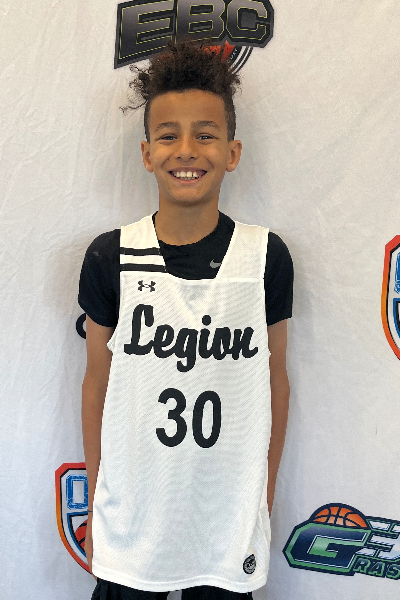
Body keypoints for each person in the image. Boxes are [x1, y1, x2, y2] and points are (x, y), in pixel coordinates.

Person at [79, 39, 293, 600]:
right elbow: (97, 383)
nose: (187, 150)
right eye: (169, 135)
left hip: (225, 514)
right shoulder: (110, 256)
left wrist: (262, 497)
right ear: (147, 153)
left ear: (233, 151)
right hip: (132, 514)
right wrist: (99, 499)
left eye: (206, 134)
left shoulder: (265, 257)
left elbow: (274, 381)